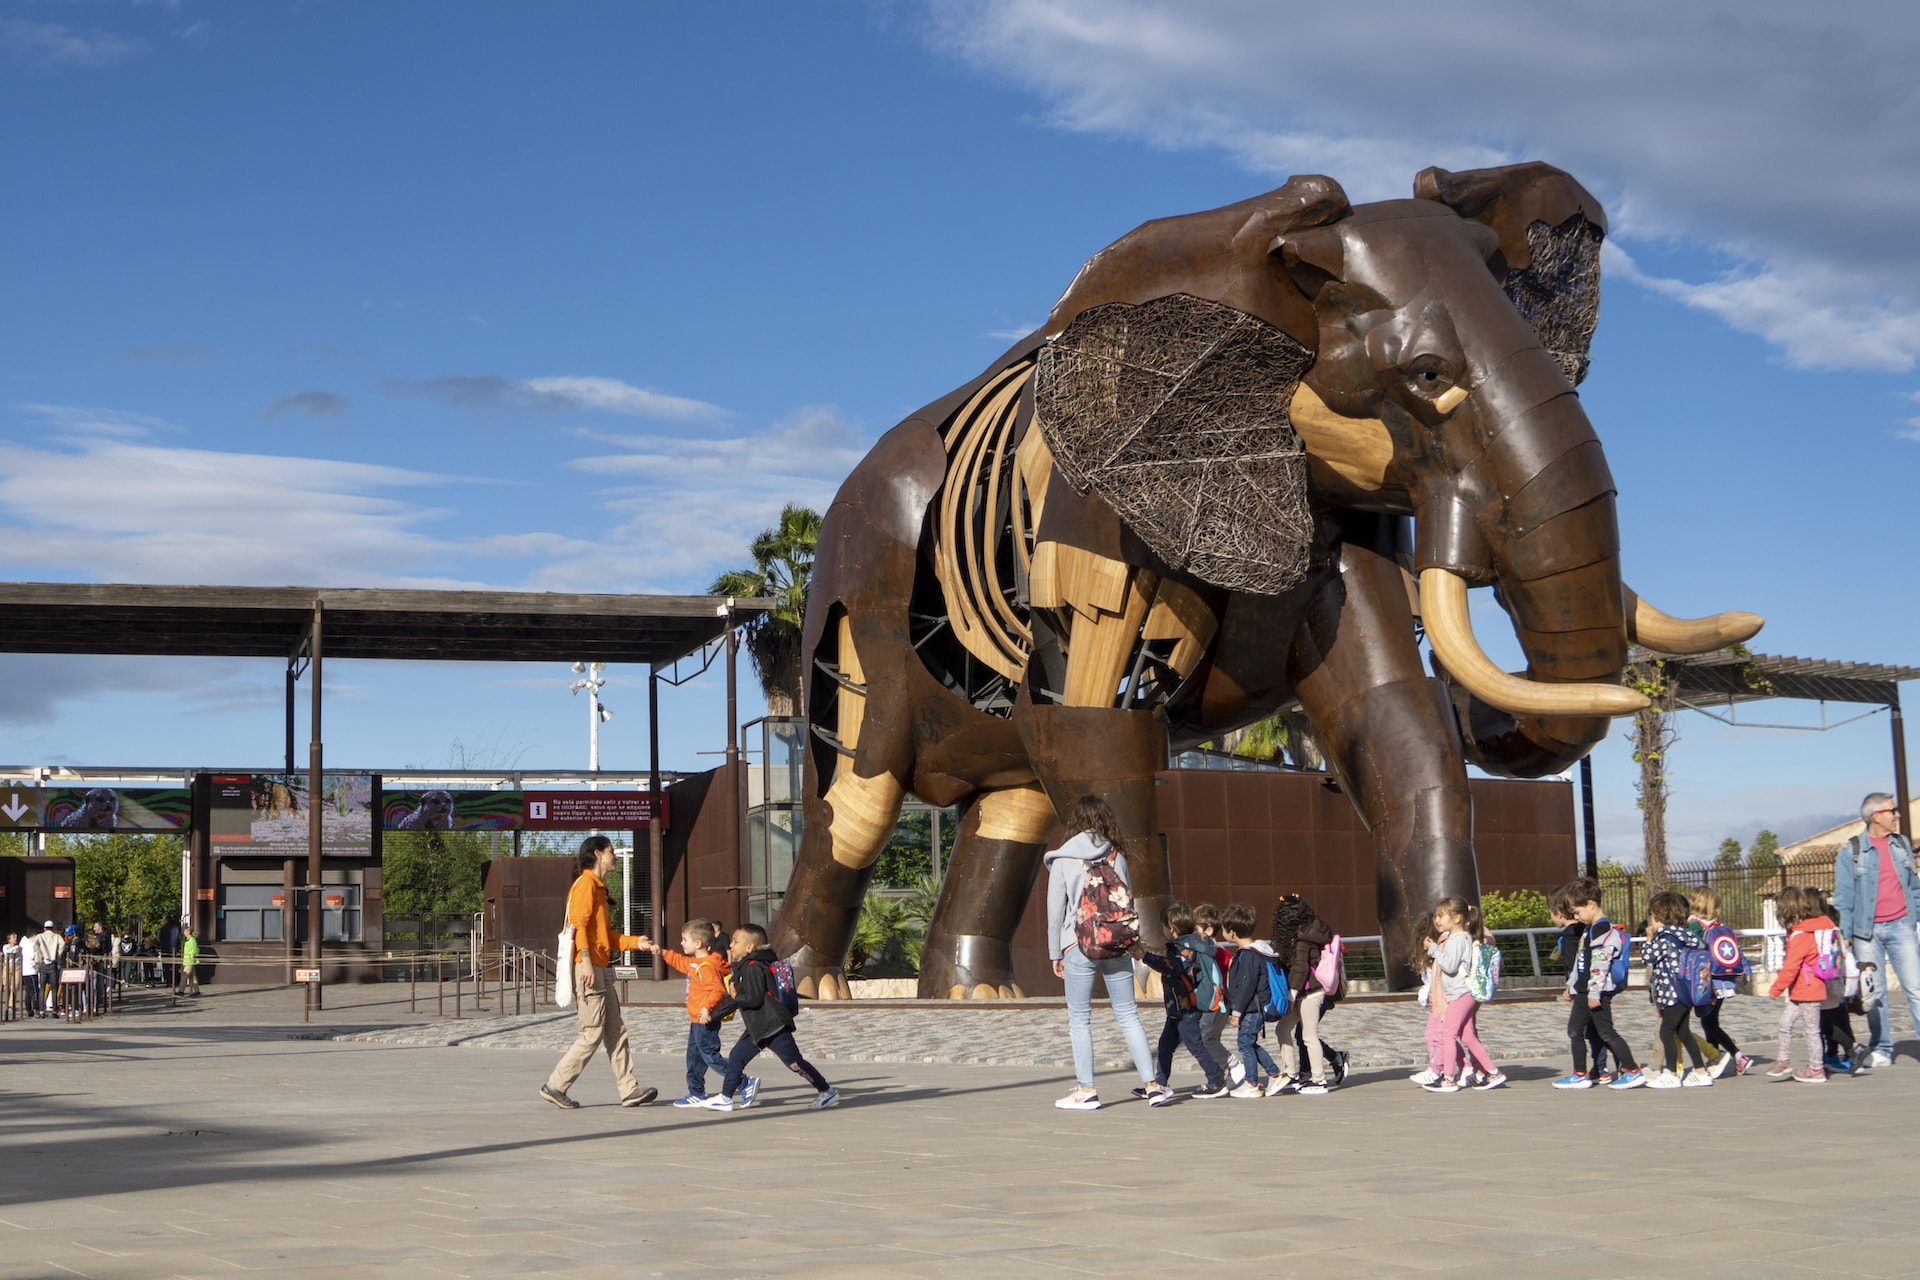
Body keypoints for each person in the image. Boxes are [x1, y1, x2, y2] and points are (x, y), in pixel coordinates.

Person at [1044, 795, 1159, 1111]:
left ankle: (1086, 1090)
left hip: (1077, 945)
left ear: (1076, 822)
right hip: (1116, 945)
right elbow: (1127, 901)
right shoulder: (1116, 855)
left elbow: (1055, 910)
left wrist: (1056, 952)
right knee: (1128, 1014)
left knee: (1080, 1018)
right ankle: (1152, 1085)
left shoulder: (1064, 857)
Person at [540, 836, 659, 1111]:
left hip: (597, 966)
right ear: (598, 854)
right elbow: (579, 927)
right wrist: (584, 962)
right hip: (590, 967)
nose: (614, 856)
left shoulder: (597, 888)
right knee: (591, 1033)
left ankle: (630, 1090)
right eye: (611, 851)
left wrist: (635, 942)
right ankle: (556, 1085)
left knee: (616, 1031)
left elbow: (606, 937)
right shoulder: (585, 884)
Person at [699, 924, 836, 1111]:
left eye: (736, 941)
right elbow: (738, 999)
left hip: (773, 1026)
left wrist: (732, 997)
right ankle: (725, 1098)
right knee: (737, 1056)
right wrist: (713, 1015)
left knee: (794, 1062)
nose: (730, 945)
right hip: (759, 1026)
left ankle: (827, 1091)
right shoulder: (745, 967)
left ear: (750, 947)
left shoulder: (753, 967)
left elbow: (752, 999)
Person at [1831, 792, 1920, 1067]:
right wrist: (1844, 938)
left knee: (1916, 987)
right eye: (1892, 810)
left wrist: (1913, 915)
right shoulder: (1851, 850)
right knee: (1874, 993)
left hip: (1902, 925)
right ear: (1876, 816)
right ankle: (1882, 1047)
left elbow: (1914, 886)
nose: (1897, 815)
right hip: (1866, 932)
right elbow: (1844, 898)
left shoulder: (1902, 844)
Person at [635, 921, 745, 1108]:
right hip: (696, 1019)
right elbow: (681, 962)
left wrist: (705, 1008)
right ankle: (696, 1092)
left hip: (705, 1019)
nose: (682, 943)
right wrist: (661, 952)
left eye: (685, 939)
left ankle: (744, 1082)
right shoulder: (696, 962)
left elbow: (717, 991)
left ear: (698, 943)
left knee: (711, 1056)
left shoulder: (706, 966)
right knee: (694, 1058)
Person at [1553, 877, 1644, 1090]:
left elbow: (1600, 964)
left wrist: (1594, 992)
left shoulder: (1601, 929)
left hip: (1596, 992)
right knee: (1576, 1030)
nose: (1576, 917)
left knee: (1605, 1032)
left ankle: (1632, 1070)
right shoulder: (1590, 928)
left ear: (1591, 904)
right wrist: (1572, 984)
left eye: (1577, 912)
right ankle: (1581, 1073)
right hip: (1585, 990)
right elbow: (1581, 960)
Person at [1137, 901, 1229, 1100]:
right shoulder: (1187, 944)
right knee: (1165, 1046)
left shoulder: (1186, 947)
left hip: (1186, 1008)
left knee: (1195, 1045)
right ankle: (1160, 1084)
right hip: (1176, 1008)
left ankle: (1216, 1080)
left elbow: (1174, 966)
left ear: (1170, 927)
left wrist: (1146, 957)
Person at [1423, 897, 1505, 1092]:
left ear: (1457, 918)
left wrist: (1433, 949)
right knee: (1467, 1036)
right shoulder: (1463, 937)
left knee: (1448, 1034)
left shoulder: (1457, 939)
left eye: (1441, 916)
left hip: (1460, 993)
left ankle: (1449, 1078)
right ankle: (1493, 1072)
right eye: (1436, 916)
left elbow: (1450, 966)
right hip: (1466, 993)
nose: (1437, 920)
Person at [1269, 894, 1339, 1095]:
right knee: (1283, 1029)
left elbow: (1300, 968)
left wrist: (1290, 995)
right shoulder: (1305, 933)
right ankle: (1290, 1073)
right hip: (1303, 992)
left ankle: (1319, 1080)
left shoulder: (1302, 938)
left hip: (1311, 992)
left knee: (1308, 1035)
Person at [1643, 891, 1713, 1089]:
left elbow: (1648, 957)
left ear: (1660, 916)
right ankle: (1700, 1071)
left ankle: (1672, 1074)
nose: (1652, 922)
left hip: (1672, 993)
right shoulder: (1686, 935)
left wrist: (1649, 938)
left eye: (1653, 917)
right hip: (1687, 991)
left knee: (1666, 1032)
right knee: (1683, 1032)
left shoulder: (1665, 938)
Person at [1767, 885, 1834, 1083]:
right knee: (1784, 1024)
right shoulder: (1801, 932)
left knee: (1812, 1031)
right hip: (1800, 991)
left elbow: (1791, 967)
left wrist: (1776, 988)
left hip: (1809, 990)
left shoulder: (1802, 936)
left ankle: (1816, 1069)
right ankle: (1783, 1059)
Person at [1685, 886, 1751, 1077]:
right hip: (1725, 980)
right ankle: (1714, 1059)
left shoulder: (1693, 926)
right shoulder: (1719, 926)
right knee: (1709, 1021)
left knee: (1709, 1023)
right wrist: (1746, 968)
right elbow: (1736, 950)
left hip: (1707, 981)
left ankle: (1736, 1056)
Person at [1222, 903, 1285, 1097]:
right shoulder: (1260, 951)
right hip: (1257, 1007)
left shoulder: (1248, 955)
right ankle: (1275, 1074)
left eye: (1224, 929)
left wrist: (1236, 1012)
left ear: (1232, 932)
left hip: (1251, 1008)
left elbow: (1245, 986)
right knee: (1248, 1042)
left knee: (1245, 1044)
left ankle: (1252, 1082)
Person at [1550, 888, 1610, 1084]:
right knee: (1601, 1030)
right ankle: (1603, 1069)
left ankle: (1582, 1072)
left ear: (1558, 913)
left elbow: (1574, 963)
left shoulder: (1571, 936)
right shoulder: (1586, 929)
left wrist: (1571, 986)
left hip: (1585, 988)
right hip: (1591, 987)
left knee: (1581, 1030)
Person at [1192, 902, 1243, 1086]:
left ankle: (1233, 1063)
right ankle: (1218, 1080)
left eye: (1195, 929)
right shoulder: (1212, 952)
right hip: (1215, 1004)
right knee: (1213, 1040)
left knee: (1205, 1039)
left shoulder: (1216, 954)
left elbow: (1230, 978)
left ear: (1210, 930)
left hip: (1216, 1004)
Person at [19, 923, 42, 1019]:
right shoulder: (30, 945)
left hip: (25, 971)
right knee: (34, 991)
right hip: (31, 970)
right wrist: (37, 960)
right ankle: (36, 1009)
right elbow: (31, 957)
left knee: (28, 991)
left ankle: (29, 1009)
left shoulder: (24, 945)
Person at [179, 926, 200, 997]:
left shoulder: (191, 940)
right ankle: (197, 991)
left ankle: (181, 991)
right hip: (188, 960)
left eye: (185, 931)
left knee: (184, 976)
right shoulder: (188, 940)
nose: (184, 933)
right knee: (193, 977)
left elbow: (195, 950)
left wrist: (192, 956)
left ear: (188, 932)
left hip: (190, 961)